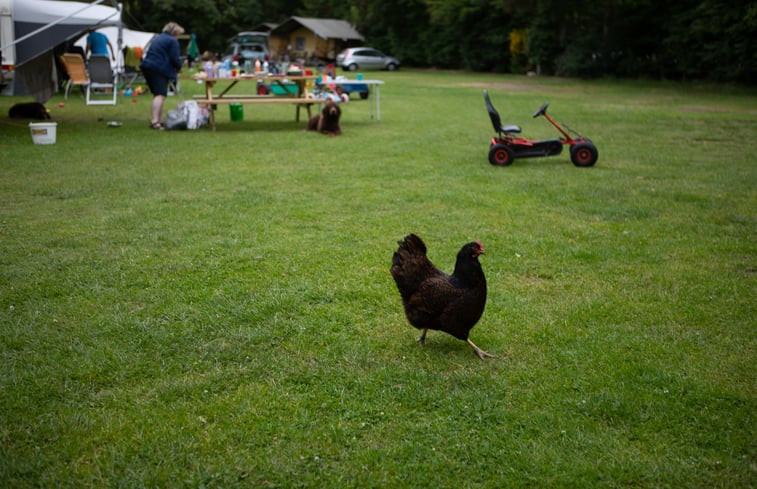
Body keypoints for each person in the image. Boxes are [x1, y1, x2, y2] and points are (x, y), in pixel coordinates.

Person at [140, 22, 184, 130]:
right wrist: (179, 67)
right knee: (160, 95)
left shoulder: (159, 37)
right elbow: (175, 57)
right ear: (175, 32)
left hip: (147, 66)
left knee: (158, 94)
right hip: (158, 68)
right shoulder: (172, 41)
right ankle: (155, 121)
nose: (179, 37)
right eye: (179, 34)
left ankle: (158, 120)